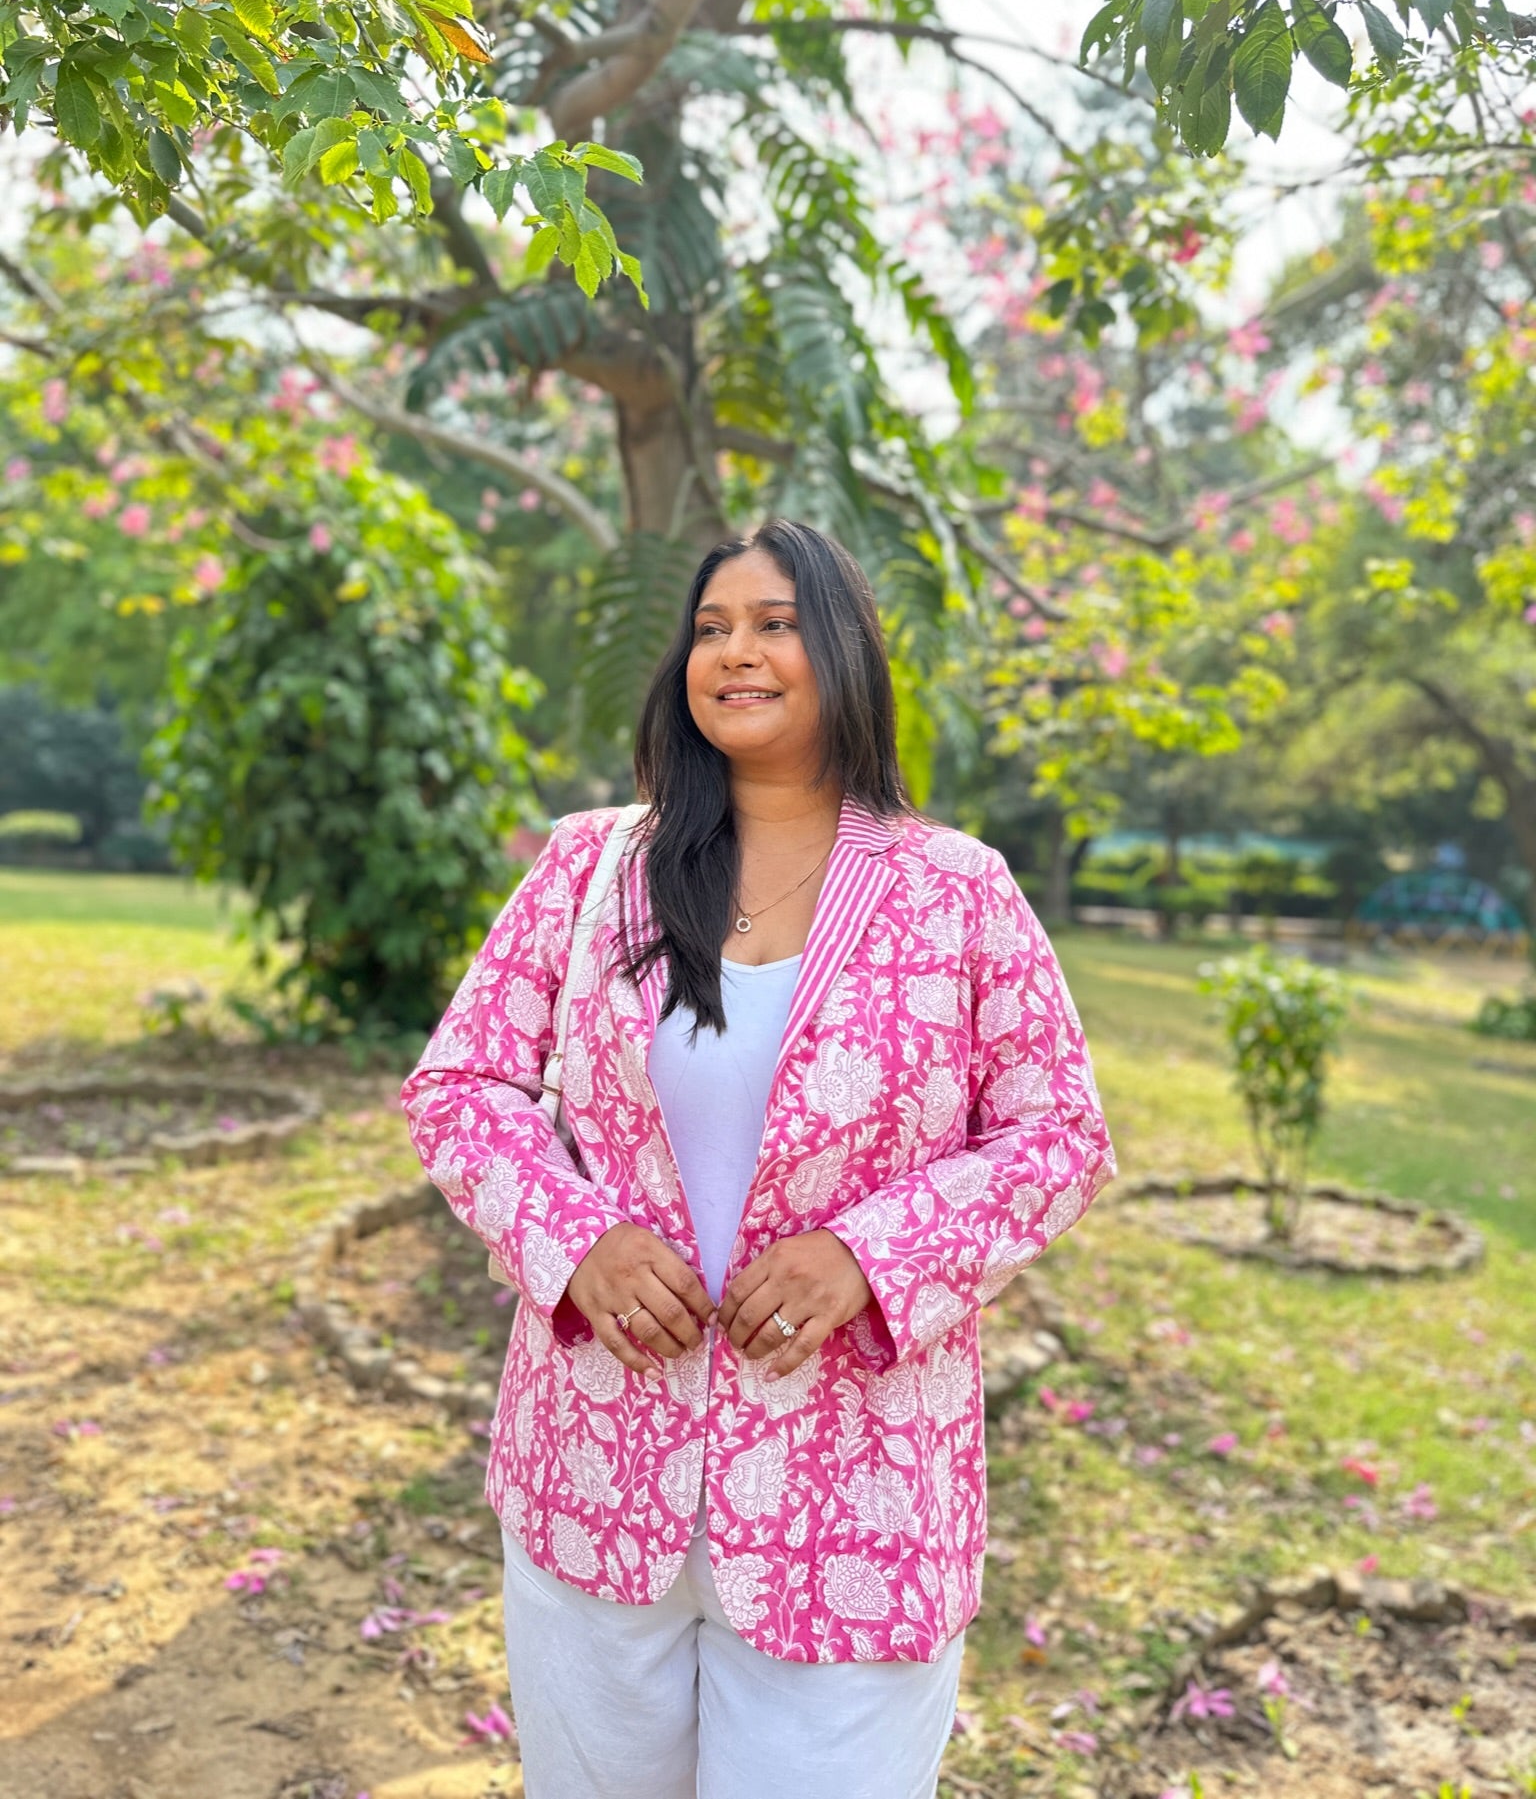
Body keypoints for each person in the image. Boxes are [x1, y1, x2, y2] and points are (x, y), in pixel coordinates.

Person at [401, 519, 1114, 1799]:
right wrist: (574, 1242)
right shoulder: (592, 865)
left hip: (858, 1498)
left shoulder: (958, 890)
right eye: (711, 627)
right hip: (596, 1476)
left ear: (841, 648)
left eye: (774, 623)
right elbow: (460, 1086)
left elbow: (1059, 1134)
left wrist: (868, 1256)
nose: (735, 651)